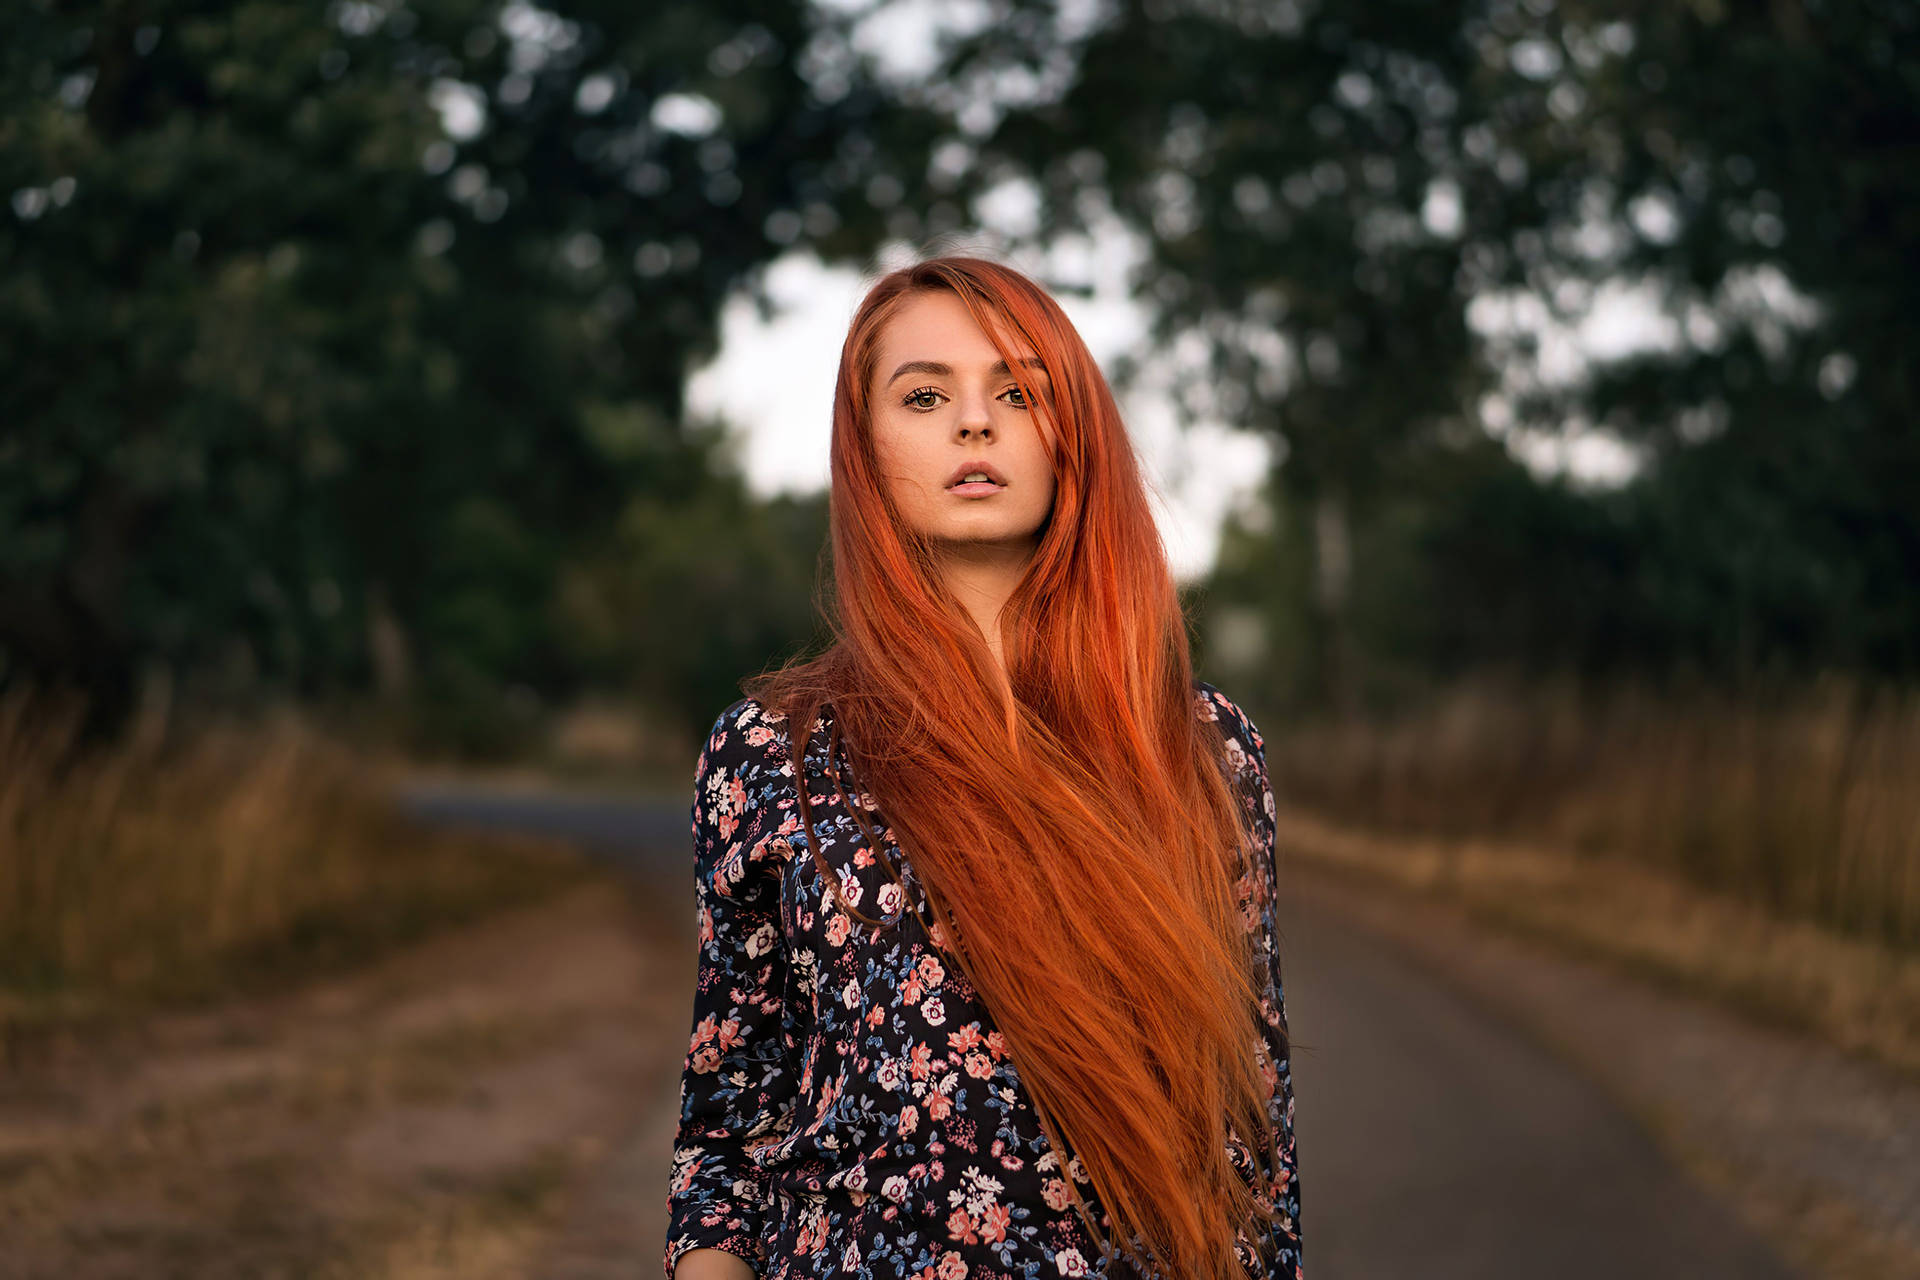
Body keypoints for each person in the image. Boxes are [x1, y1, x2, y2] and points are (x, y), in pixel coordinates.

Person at [663, 252, 1301, 1280]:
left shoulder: (1204, 750)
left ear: (1071, 435)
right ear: (864, 446)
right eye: (924, 395)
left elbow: (1252, 1139)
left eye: (1019, 391)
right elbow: (729, 1122)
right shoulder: (773, 751)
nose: (975, 422)